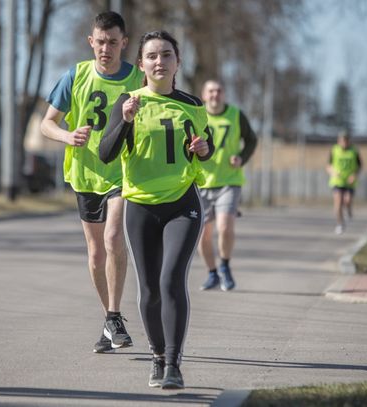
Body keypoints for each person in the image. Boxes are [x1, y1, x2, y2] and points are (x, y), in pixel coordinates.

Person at [99, 30, 214, 390]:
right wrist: (125, 121)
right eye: (151, 56)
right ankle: (157, 357)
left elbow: (204, 150)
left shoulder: (193, 105)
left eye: (166, 55)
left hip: (182, 202)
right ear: (142, 64)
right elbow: (106, 153)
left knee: (170, 280)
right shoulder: (127, 102)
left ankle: (174, 364)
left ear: (178, 62)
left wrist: (202, 149)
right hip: (141, 206)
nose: (159, 61)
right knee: (149, 287)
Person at [40, 11, 143, 353]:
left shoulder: (136, 81)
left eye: (113, 42)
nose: (106, 48)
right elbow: (46, 124)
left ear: (123, 44)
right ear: (91, 42)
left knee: (114, 236)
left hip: (121, 173)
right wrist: (68, 136)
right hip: (85, 175)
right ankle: (109, 320)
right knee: (96, 252)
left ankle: (114, 316)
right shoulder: (76, 75)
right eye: (100, 42)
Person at [197, 79, 257, 291]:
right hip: (201, 183)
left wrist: (241, 157)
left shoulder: (236, 115)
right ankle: (212, 273)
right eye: (210, 91)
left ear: (224, 94)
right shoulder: (196, 114)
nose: (215, 95)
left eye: (219, 91)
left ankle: (224, 265)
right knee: (202, 235)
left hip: (229, 182)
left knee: (225, 227)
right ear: (204, 95)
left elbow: (251, 140)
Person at [326, 130, 362, 234]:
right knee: (338, 203)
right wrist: (332, 172)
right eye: (342, 140)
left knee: (347, 200)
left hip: (349, 181)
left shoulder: (354, 151)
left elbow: (360, 166)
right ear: (338, 141)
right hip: (338, 181)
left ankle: (349, 211)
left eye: (346, 140)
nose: (344, 143)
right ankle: (340, 224)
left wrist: (354, 175)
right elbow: (328, 166)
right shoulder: (334, 150)